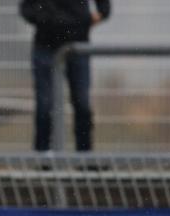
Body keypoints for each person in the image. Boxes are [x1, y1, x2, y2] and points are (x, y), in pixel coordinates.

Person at [21, 0, 111, 151]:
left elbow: (104, 8)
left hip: (78, 45)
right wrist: (45, 20)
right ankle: (43, 158)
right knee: (44, 105)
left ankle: (84, 157)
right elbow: (26, 8)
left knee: (82, 103)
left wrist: (84, 22)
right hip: (45, 45)